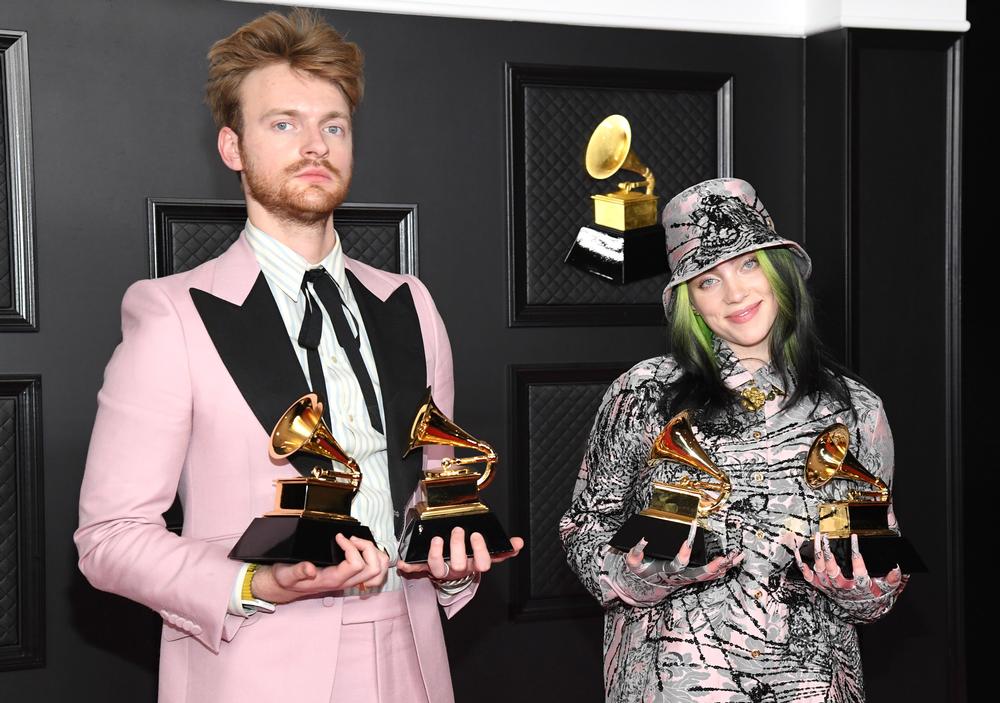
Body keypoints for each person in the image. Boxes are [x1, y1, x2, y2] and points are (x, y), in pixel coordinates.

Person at [74, 9, 520, 703]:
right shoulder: (172, 313)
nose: (314, 145)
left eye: (332, 126)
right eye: (283, 123)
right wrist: (255, 581)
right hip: (256, 663)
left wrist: (453, 563)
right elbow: (110, 536)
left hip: (412, 656)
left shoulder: (410, 303)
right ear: (233, 147)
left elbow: (433, 496)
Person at [560, 178, 908, 702]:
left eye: (749, 265)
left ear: (779, 273)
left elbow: (873, 561)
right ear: (689, 303)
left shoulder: (856, 409)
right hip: (673, 684)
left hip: (813, 687)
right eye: (707, 280)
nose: (735, 293)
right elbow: (585, 527)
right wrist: (637, 577)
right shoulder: (644, 394)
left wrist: (866, 592)